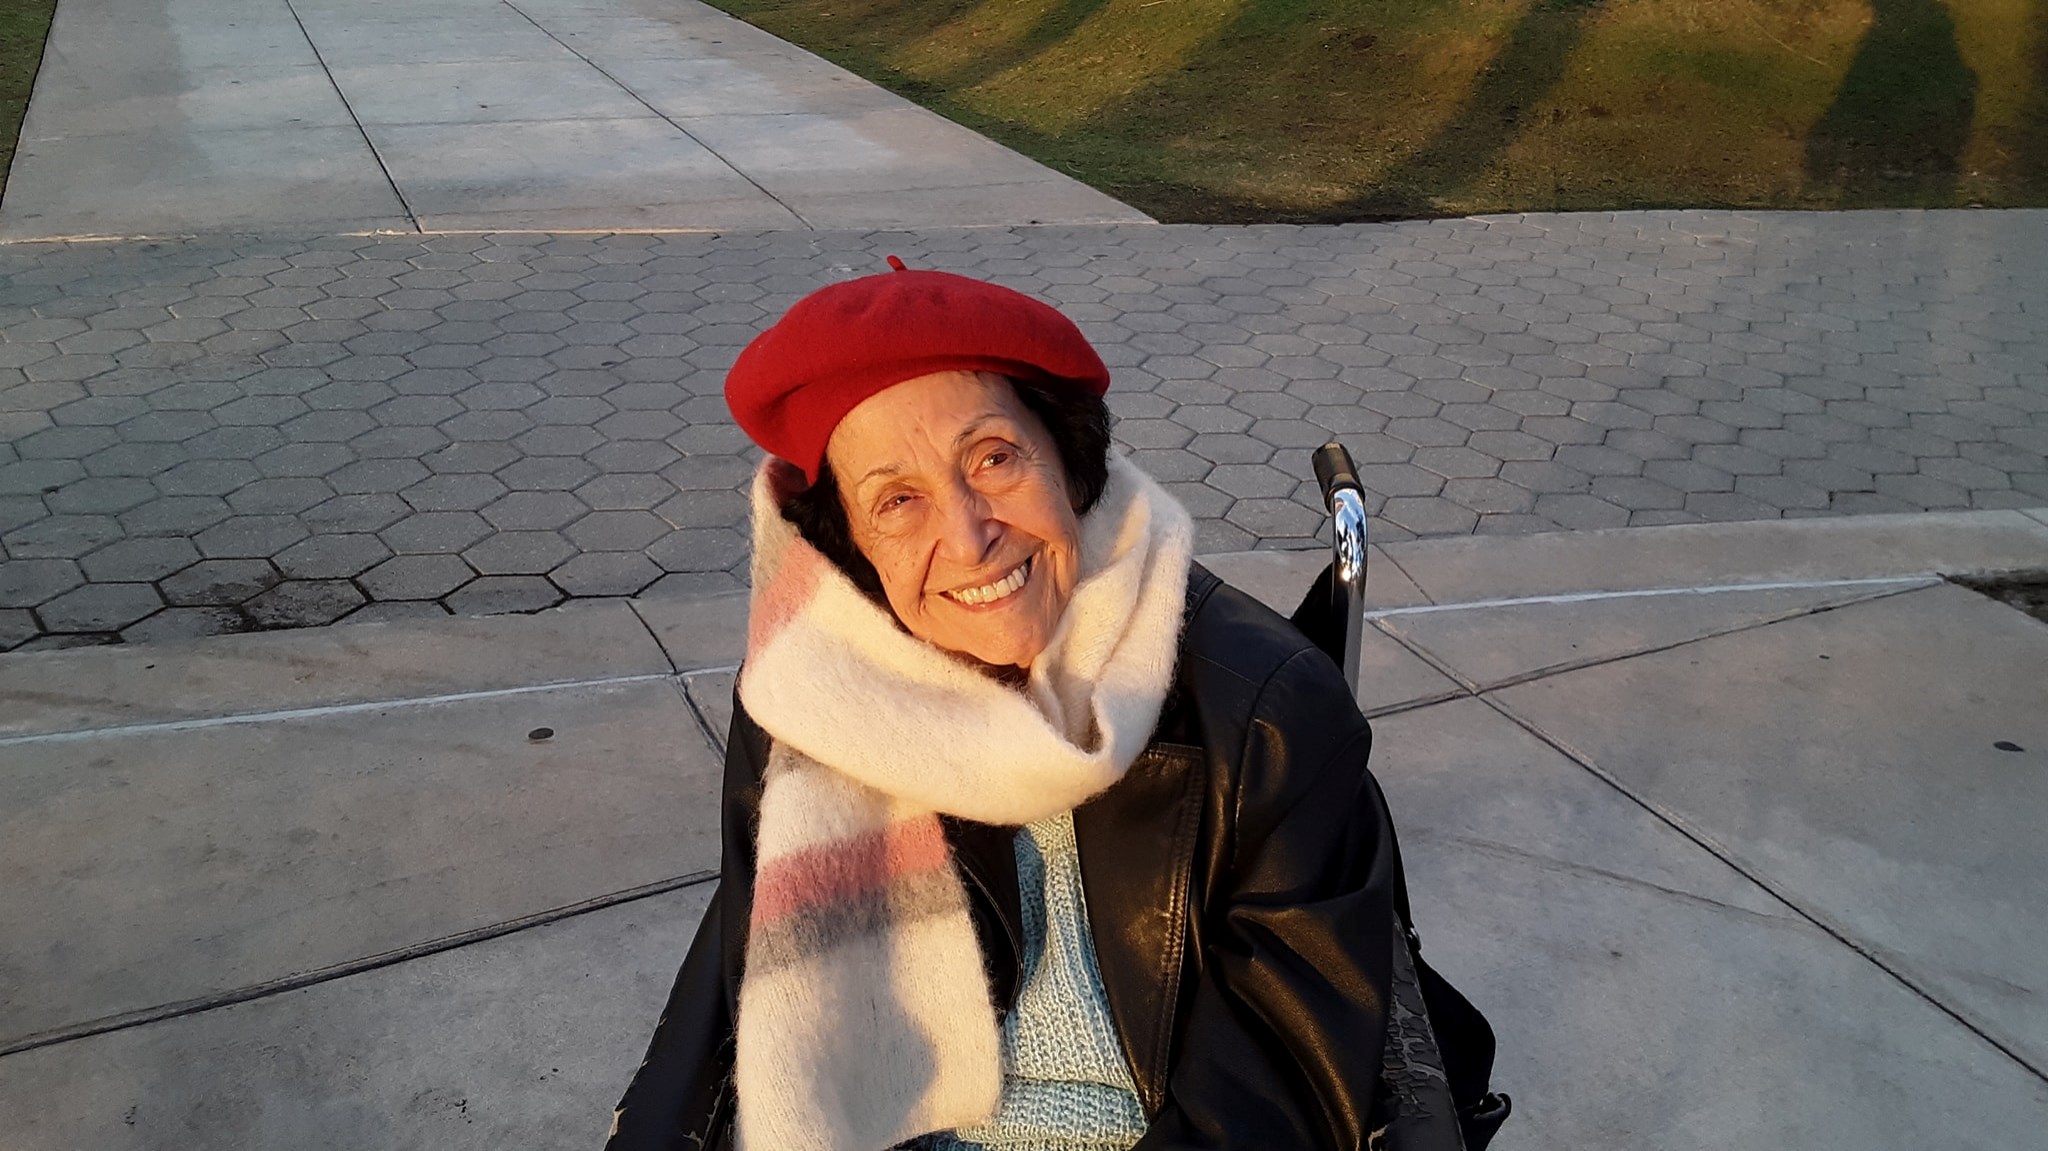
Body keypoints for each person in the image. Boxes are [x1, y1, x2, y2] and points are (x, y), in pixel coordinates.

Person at [606, 263, 1506, 1151]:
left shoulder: (1265, 712)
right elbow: (747, 966)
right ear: (850, 546)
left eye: (993, 458)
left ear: (1070, 457)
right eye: (898, 500)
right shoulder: (809, 701)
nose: (969, 536)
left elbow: (1276, 1087)